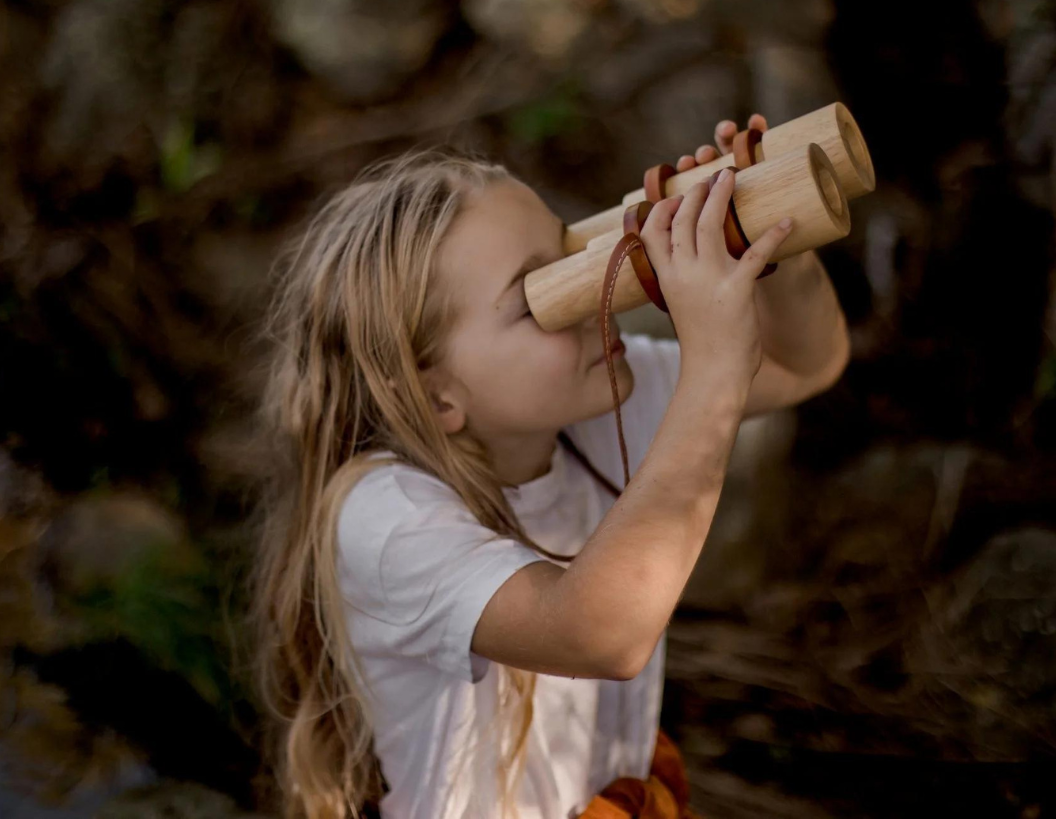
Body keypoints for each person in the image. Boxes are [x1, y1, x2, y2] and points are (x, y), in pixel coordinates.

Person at [248, 115, 851, 819]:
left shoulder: (577, 406)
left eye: (577, 260)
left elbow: (804, 365)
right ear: (437, 394)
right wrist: (712, 366)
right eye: (542, 297)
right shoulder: (384, 516)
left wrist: (766, 231)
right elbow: (600, 631)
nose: (599, 300)